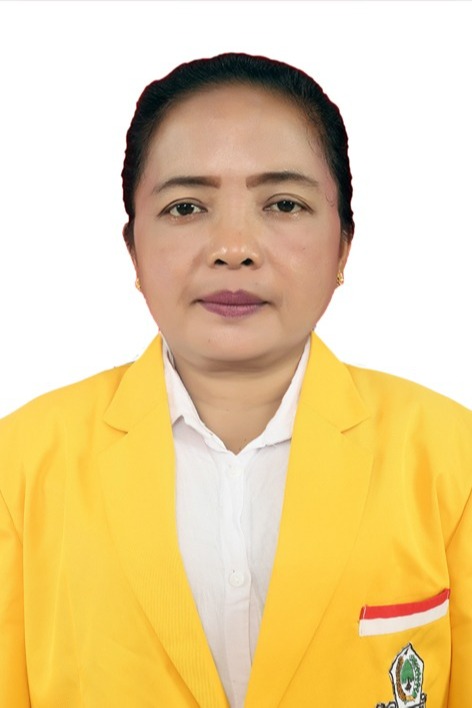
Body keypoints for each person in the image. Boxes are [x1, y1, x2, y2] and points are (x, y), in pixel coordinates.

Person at [0, 53, 471, 708]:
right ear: (133, 249)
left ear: (343, 245)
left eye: (284, 203)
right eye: (186, 206)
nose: (233, 248)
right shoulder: (20, 462)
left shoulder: (451, 456)